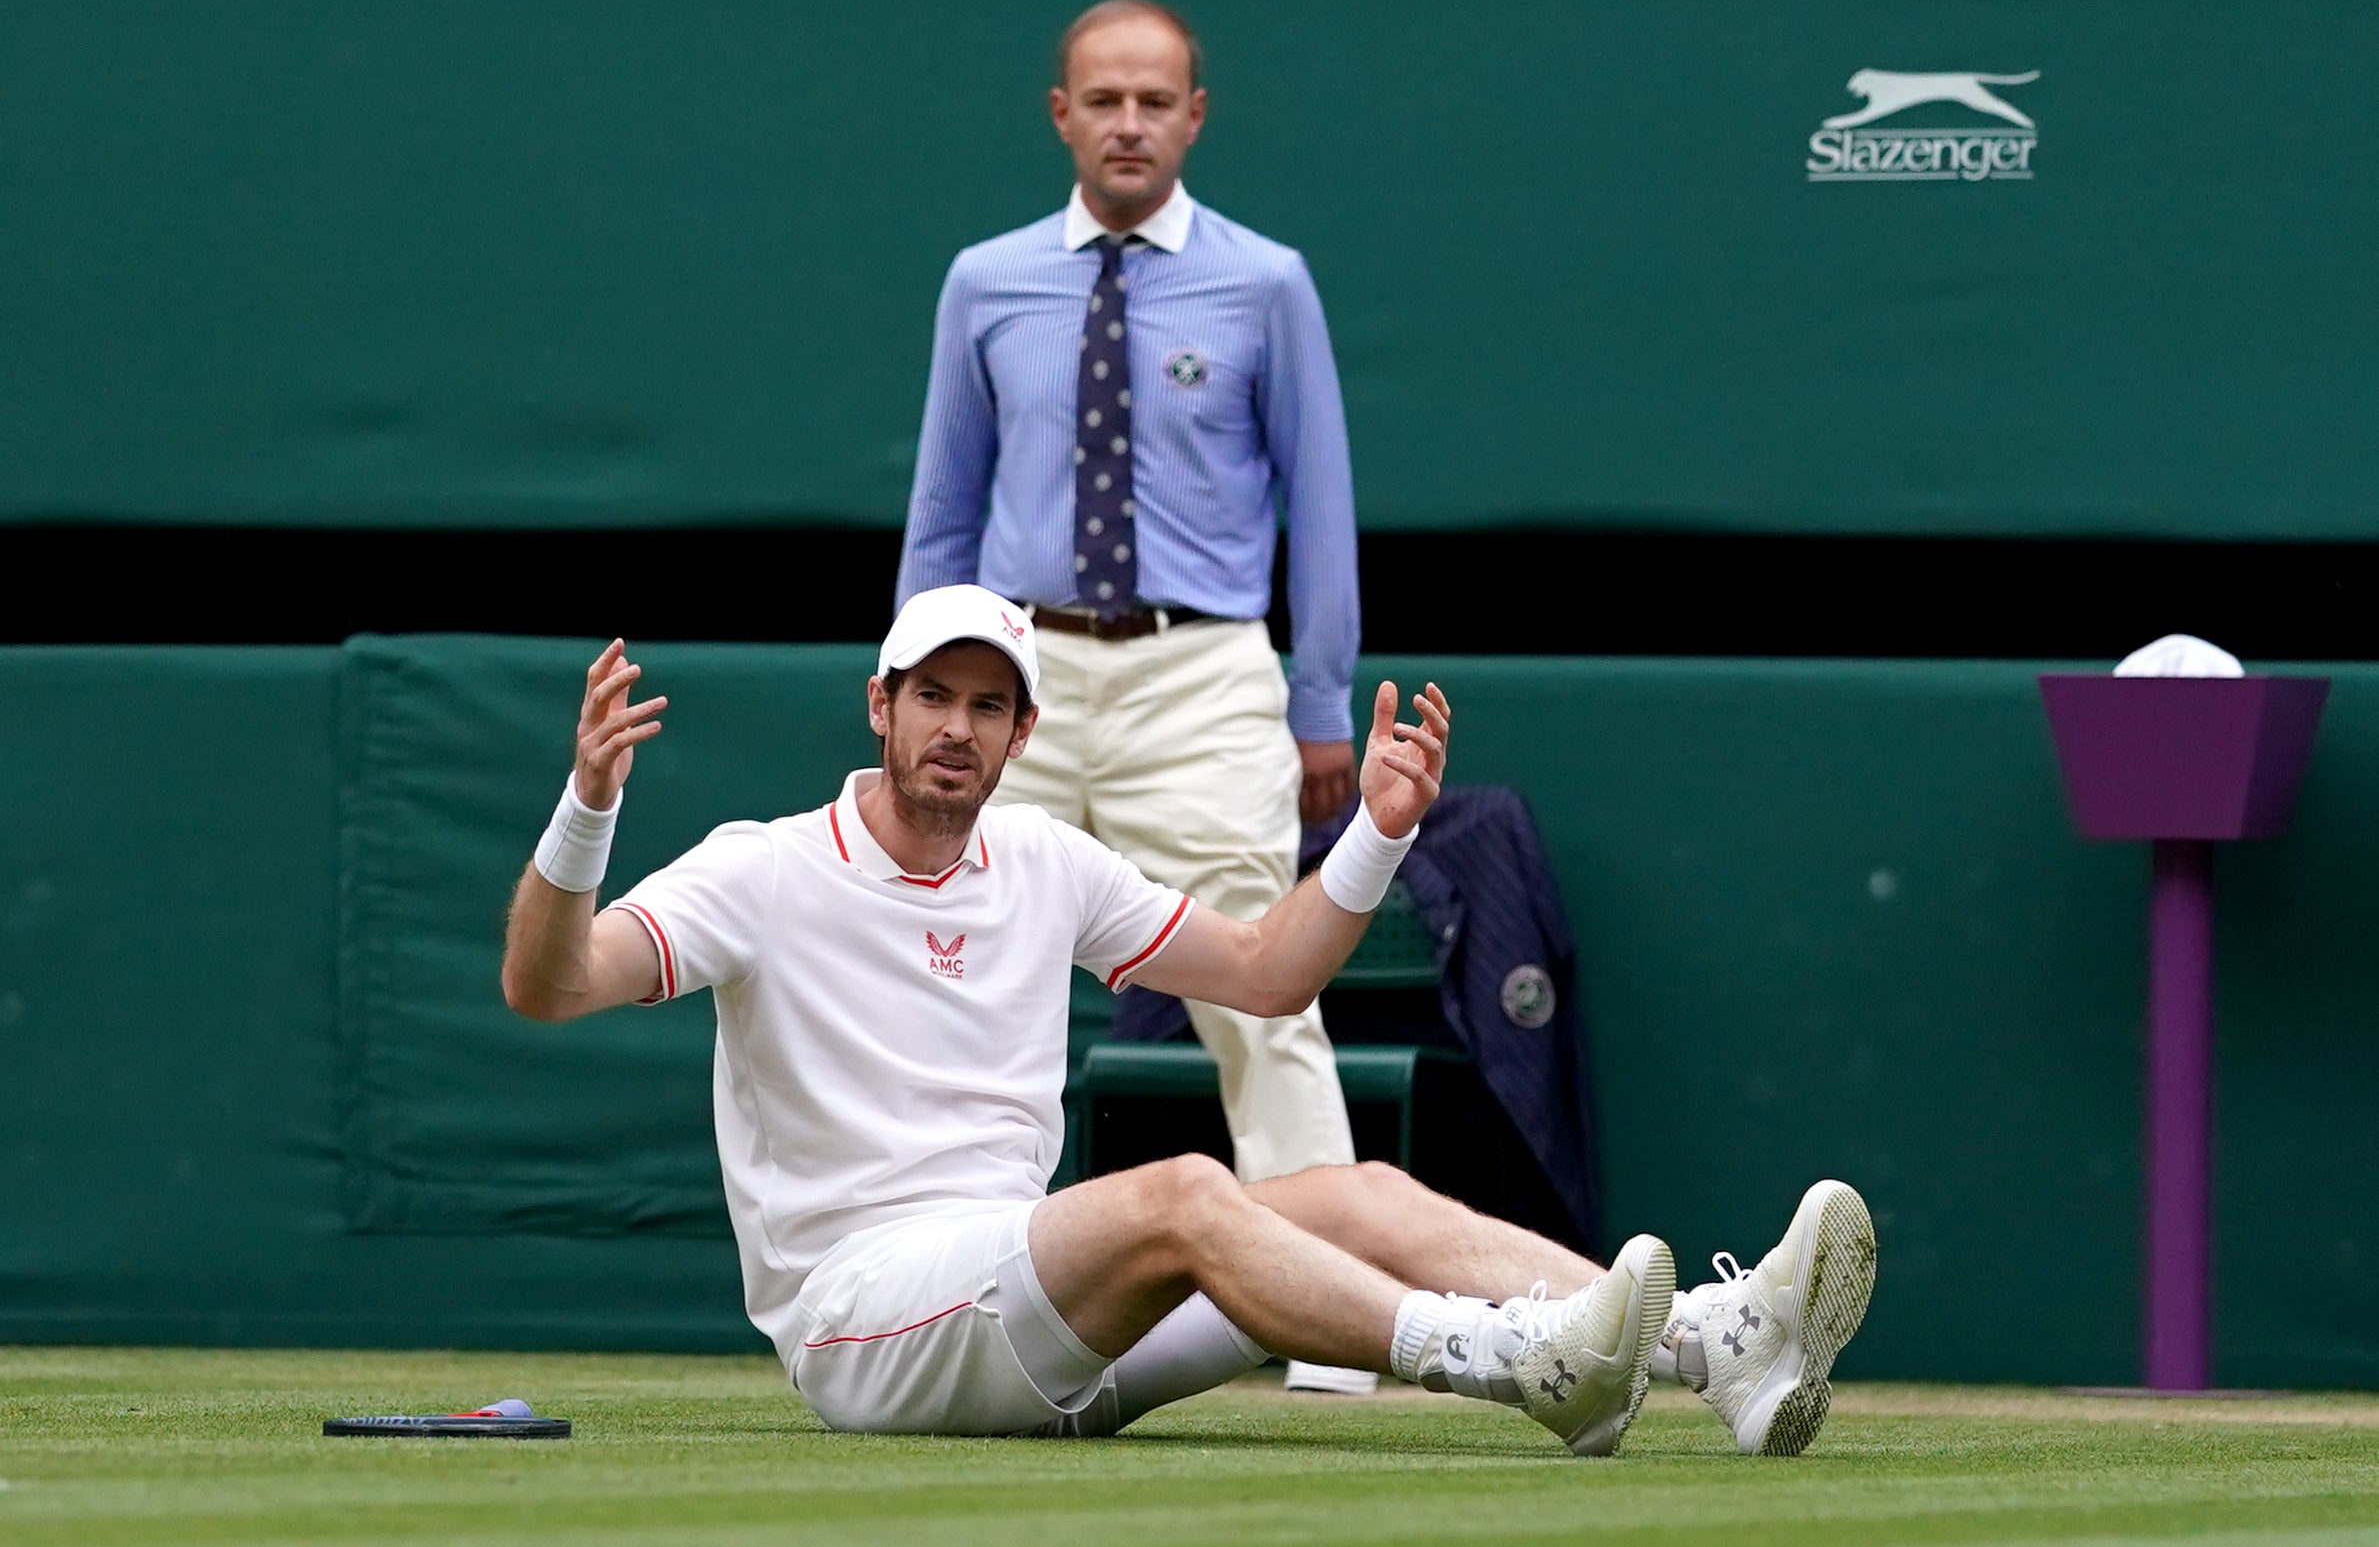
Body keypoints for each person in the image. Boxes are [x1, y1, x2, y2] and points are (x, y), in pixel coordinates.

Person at [499, 584, 1879, 1456]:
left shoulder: (1045, 862)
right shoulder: (762, 866)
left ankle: (1718, 1342)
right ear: (881, 703)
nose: (957, 727)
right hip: (867, 1328)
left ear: (1022, 733)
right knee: (1179, 1193)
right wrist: (588, 808)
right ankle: (1515, 1359)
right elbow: (549, 983)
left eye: (989, 704)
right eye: (933, 695)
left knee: (1353, 1186)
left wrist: (1377, 838)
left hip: (1042, 1319)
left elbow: (1271, 972)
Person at [893, 0, 1366, 1391]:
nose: (1129, 124)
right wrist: (917, 687)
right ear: (1061, 114)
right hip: (1013, 669)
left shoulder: (1265, 280)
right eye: (1104, 100)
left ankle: (1329, 1329)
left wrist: (1320, 696)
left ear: (1195, 116)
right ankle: (937, 1292)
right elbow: (943, 504)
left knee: (1266, 992)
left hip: (1203, 667)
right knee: (951, 972)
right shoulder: (985, 282)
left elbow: (1319, 501)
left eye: (1155, 101)